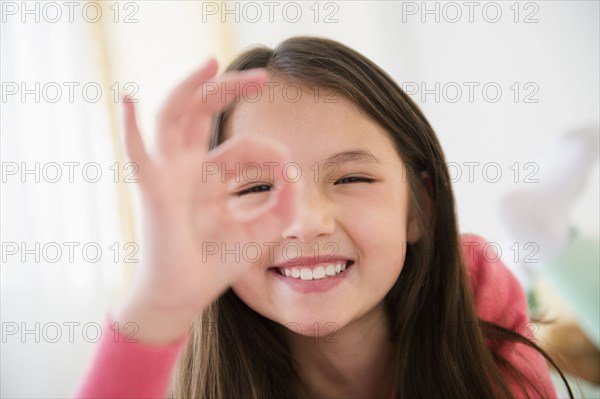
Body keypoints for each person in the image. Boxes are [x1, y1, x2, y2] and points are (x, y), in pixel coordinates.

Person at [75, 36, 573, 398]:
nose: (308, 222)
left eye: (351, 179)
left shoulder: (489, 347)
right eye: (255, 187)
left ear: (419, 207)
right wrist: (157, 304)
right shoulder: (168, 372)